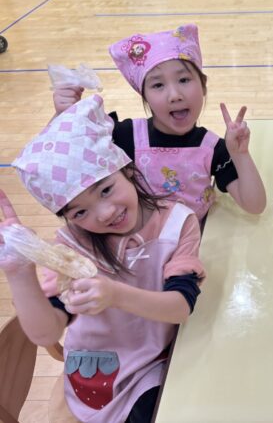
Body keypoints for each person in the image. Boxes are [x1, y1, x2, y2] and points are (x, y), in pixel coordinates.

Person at [2, 95, 205, 422]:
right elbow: (45, 334)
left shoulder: (177, 223)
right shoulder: (71, 246)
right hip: (100, 369)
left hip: (158, 358)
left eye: (106, 190)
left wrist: (115, 294)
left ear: (127, 170)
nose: (105, 213)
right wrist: (19, 271)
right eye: (80, 212)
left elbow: (180, 307)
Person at [52, 23, 266, 221]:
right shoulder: (125, 136)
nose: (175, 95)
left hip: (194, 241)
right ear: (144, 95)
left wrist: (240, 154)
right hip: (140, 242)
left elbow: (255, 205)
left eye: (184, 80)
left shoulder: (212, 149)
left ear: (203, 86)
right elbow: (62, 157)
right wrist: (64, 114)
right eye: (158, 85)